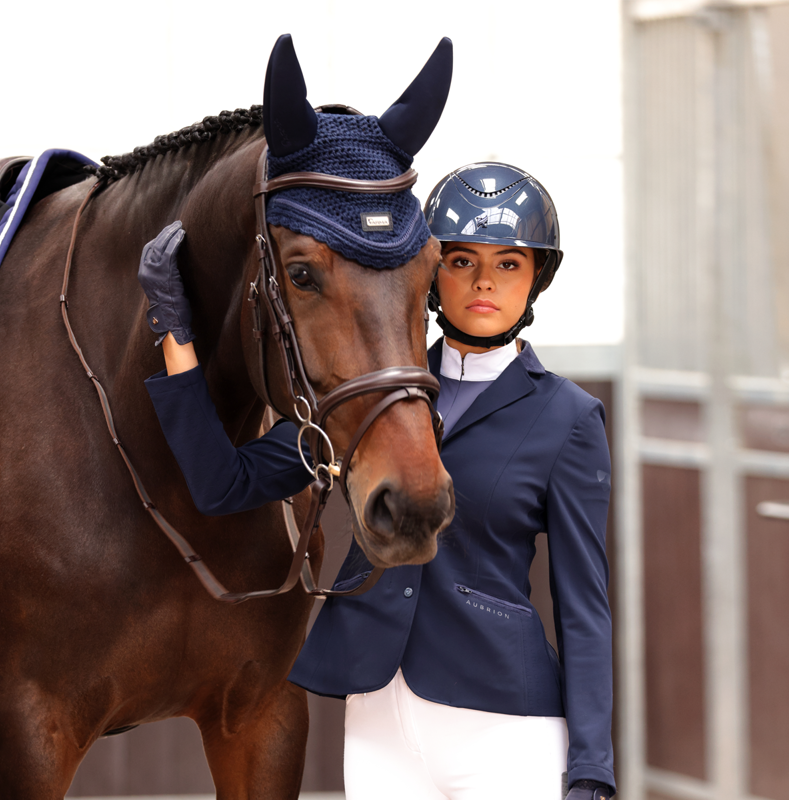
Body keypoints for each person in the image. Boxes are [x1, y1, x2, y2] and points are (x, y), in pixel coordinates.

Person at [139, 162, 614, 800]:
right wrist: (177, 334)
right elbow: (223, 484)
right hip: (377, 719)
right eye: (461, 260)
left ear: (537, 280)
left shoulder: (568, 418)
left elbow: (584, 609)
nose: (482, 282)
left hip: (504, 723)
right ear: (430, 271)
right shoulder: (366, 391)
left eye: (508, 264)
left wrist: (591, 769)